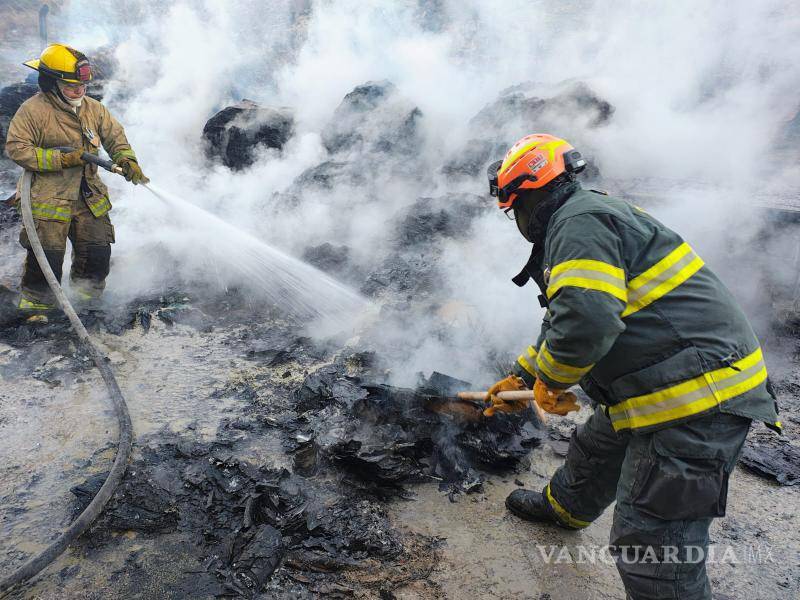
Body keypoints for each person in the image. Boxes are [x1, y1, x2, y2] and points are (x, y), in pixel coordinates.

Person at [484, 133, 781, 600]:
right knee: (597, 447)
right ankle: (565, 509)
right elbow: (564, 315)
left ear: (527, 196)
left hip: (697, 399)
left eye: (512, 208)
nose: (515, 219)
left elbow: (587, 320)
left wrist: (553, 381)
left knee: (653, 546)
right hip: (661, 382)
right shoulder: (585, 215)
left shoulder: (578, 224)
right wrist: (524, 374)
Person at [5, 43, 147, 316]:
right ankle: (37, 307)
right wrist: (61, 159)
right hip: (48, 195)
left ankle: (86, 303)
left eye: (82, 85)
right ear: (52, 83)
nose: (79, 91)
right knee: (46, 256)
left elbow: (115, 137)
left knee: (97, 251)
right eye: (71, 86)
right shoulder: (32, 111)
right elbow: (17, 149)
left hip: (88, 194)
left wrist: (127, 160)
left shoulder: (94, 109)